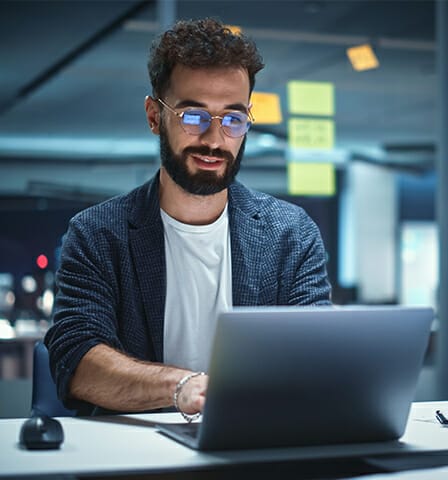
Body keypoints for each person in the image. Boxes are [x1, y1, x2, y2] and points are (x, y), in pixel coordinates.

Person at [45, 18, 331, 418]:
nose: (215, 140)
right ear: (154, 116)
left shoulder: (291, 234)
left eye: (232, 119)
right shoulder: (97, 233)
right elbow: (75, 362)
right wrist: (182, 388)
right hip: (137, 459)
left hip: (256, 447)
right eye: (193, 117)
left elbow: (318, 353)